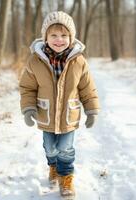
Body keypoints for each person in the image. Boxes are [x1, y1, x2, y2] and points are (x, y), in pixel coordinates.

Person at [19, 11, 100, 198]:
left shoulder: (78, 61)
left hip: (68, 117)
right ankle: (53, 166)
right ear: (45, 37)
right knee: (49, 147)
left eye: (64, 35)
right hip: (46, 115)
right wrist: (28, 108)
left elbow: (87, 88)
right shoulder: (35, 61)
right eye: (53, 35)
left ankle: (66, 178)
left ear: (71, 38)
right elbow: (27, 87)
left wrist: (92, 110)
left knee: (66, 149)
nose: (59, 40)